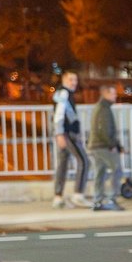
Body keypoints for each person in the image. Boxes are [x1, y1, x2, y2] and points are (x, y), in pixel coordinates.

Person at [51, 71, 90, 208]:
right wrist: (60, 134)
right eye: (71, 79)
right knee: (84, 161)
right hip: (67, 134)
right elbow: (59, 115)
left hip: (65, 134)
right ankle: (78, 195)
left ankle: (58, 198)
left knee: (62, 164)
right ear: (64, 80)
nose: (74, 82)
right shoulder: (64, 93)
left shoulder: (63, 93)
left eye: (75, 79)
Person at [87, 83, 125, 211]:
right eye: (113, 93)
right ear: (106, 94)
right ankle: (111, 199)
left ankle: (97, 201)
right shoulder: (104, 109)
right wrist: (113, 146)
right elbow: (104, 130)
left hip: (96, 146)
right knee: (117, 170)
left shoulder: (100, 107)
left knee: (100, 172)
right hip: (102, 146)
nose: (116, 96)